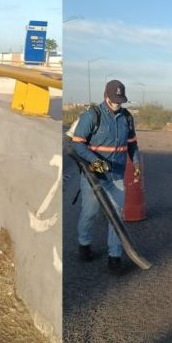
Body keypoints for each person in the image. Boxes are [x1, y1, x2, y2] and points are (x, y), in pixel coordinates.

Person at [70, 80, 140, 273]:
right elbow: (77, 143)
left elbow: (132, 144)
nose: (117, 103)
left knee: (116, 216)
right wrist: (94, 160)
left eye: (120, 100)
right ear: (106, 96)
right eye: (114, 100)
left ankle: (114, 257)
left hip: (116, 175)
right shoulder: (92, 115)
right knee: (90, 213)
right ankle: (84, 244)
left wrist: (136, 163)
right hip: (94, 176)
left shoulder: (127, 118)